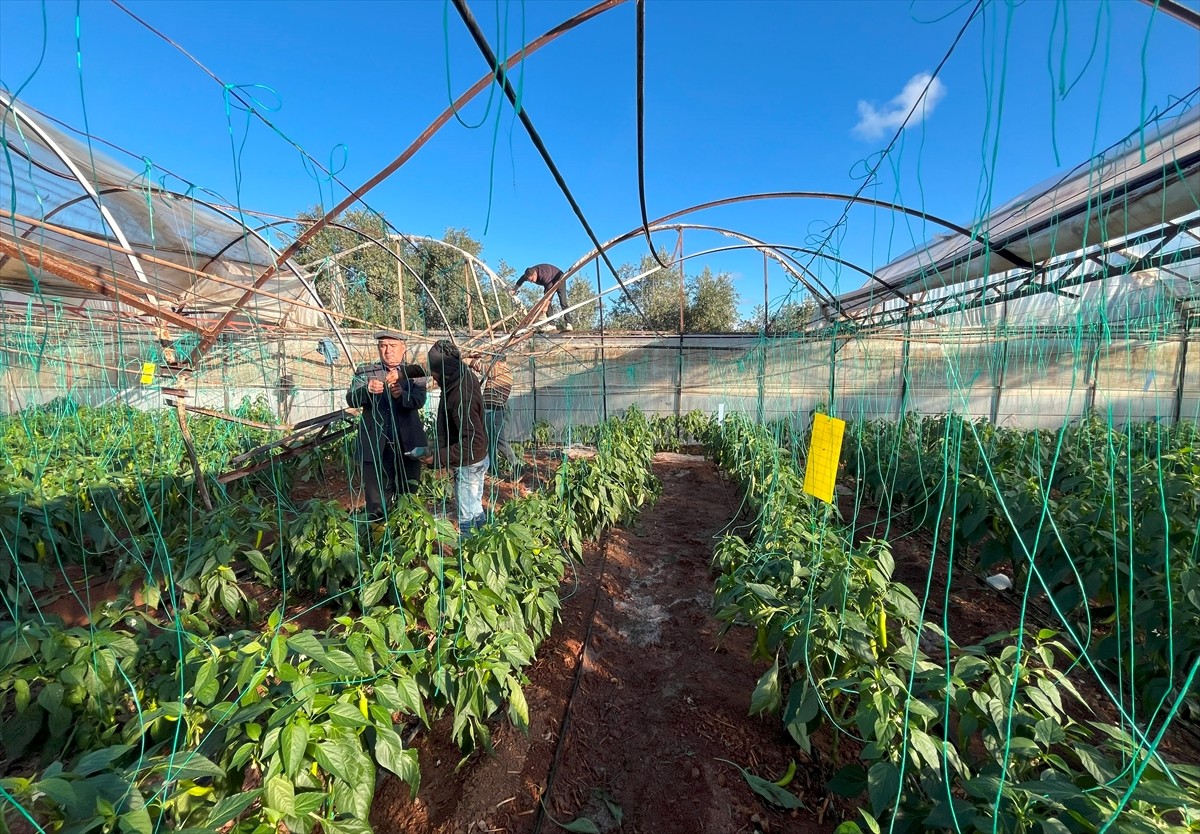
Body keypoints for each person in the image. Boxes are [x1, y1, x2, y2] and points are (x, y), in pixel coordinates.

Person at [346, 331, 429, 523]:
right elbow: (351, 398)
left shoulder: (414, 373)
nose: (388, 351)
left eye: (393, 346)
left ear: (403, 348)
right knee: (376, 501)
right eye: (383, 346)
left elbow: (420, 400)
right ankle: (379, 540)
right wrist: (366, 390)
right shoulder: (365, 372)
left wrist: (402, 395)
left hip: (408, 446)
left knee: (408, 496)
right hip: (376, 446)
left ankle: (406, 536)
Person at [419, 339, 490, 534]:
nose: (432, 376)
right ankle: (485, 541)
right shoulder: (461, 373)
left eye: (434, 373)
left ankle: (468, 556)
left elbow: (474, 442)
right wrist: (403, 373)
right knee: (475, 509)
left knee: (466, 517)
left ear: (442, 371)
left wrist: (438, 457)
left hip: (469, 464)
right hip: (477, 460)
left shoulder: (460, 395)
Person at [468, 352, 519, 477]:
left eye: (492, 361)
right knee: (492, 441)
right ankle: (493, 469)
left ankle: (516, 466)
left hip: (492, 411)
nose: (491, 363)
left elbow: (480, 367)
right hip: (497, 410)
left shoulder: (498, 369)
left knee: (498, 441)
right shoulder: (508, 373)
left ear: (497, 361)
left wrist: (472, 359)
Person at [510, 263, 573, 331]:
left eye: (532, 280)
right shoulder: (527, 275)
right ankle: (551, 324)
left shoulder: (544, 275)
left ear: (535, 274)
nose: (531, 282)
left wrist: (545, 305)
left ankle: (568, 323)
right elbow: (520, 281)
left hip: (559, 278)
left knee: (562, 301)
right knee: (545, 302)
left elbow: (549, 293)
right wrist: (514, 289)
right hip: (549, 283)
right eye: (529, 280)